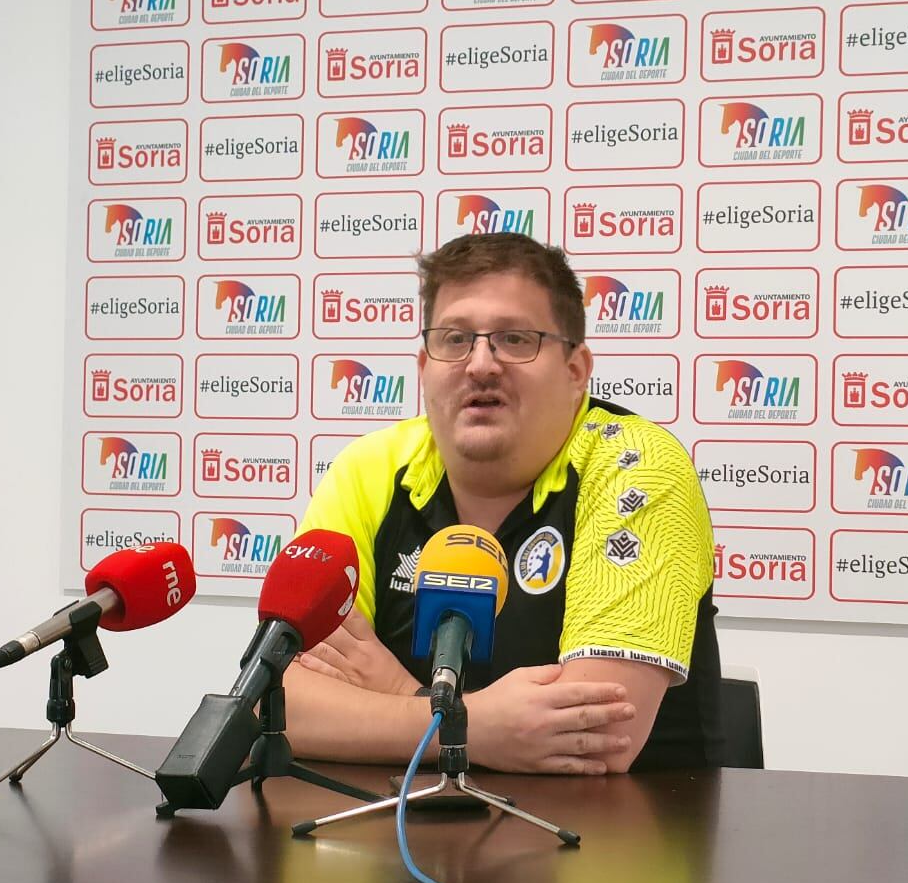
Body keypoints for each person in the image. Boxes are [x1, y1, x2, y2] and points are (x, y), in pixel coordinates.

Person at [284, 231, 722, 773]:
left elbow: (600, 732)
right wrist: (476, 727)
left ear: (575, 371)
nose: (481, 364)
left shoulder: (636, 466)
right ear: (424, 368)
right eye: (454, 338)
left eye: (515, 339)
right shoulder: (369, 468)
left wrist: (397, 693)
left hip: (617, 837)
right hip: (402, 833)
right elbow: (277, 703)